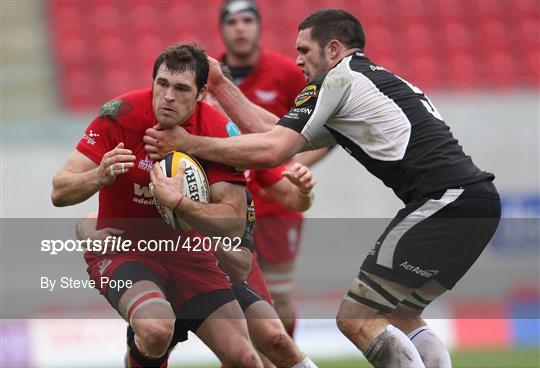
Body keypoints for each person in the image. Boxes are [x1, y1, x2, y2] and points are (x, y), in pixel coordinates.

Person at [143, 9, 502, 368]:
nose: (297, 60)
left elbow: (271, 151)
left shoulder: (336, 81)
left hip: (443, 203)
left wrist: (188, 143)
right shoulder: (369, 80)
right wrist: (221, 84)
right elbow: (275, 131)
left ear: (332, 49)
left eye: (304, 50)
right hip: (478, 203)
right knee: (402, 315)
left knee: (355, 317)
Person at [51, 43, 263, 368]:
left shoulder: (217, 132)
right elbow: (60, 190)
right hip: (124, 250)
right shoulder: (120, 115)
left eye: (181, 88)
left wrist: (180, 204)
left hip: (191, 255)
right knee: (156, 328)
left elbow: (233, 222)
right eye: (161, 84)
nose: (167, 96)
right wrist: (99, 175)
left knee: (246, 358)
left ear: (202, 93)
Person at [76, 164, 319, 368]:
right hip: (157, 275)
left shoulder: (236, 193)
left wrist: (195, 217)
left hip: (209, 275)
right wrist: (87, 232)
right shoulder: (164, 171)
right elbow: (93, 217)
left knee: (273, 341)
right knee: (155, 334)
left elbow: (239, 268)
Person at [216, 0, 326, 337]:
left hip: (276, 204)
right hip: (226, 205)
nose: (240, 28)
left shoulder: (286, 74)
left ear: (259, 26)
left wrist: (287, 167)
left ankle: (283, 356)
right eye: (232, 22)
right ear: (222, 29)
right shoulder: (207, 76)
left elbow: (324, 133)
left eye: (247, 20)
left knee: (277, 297)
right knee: (234, 297)